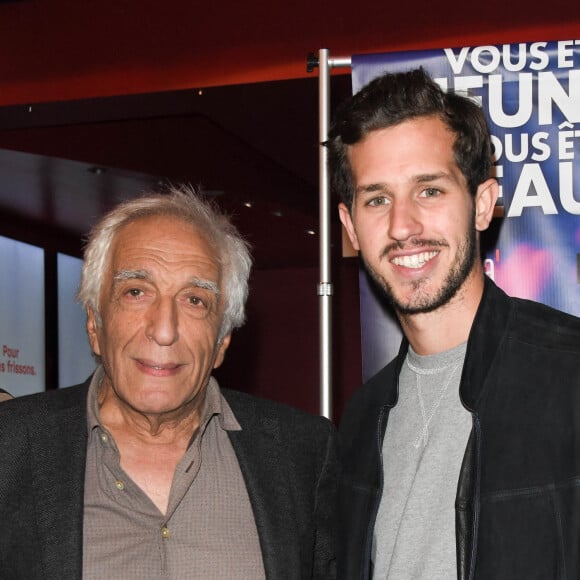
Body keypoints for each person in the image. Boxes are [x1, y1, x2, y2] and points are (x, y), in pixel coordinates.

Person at [0, 185, 338, 580]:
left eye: (195, 300)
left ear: (221, 341)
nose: (164, 330)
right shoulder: (11, 446)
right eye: (136, 292)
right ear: (95, 323)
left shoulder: (302, 454)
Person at [327, 68, 580, 579]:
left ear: (482, 204)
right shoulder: (358, 421)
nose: (402, 225)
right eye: (377, 199)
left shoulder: (571, 377)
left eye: (429, 191)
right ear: (351, 226)